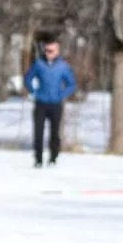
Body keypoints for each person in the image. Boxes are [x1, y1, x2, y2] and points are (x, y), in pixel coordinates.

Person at [25, 38, 76, 168]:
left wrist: (61, 95)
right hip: (40, 103)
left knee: (55, 133)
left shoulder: (63, 66)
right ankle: (38, 159)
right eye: (46, 50)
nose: (48, 53)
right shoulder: (39, 64)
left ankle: (53, 158)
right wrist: (33, 91)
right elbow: (28, 78)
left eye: (51, 51)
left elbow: (71, 84)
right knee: (38, 132)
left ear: (57, 51)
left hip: (55, 104)